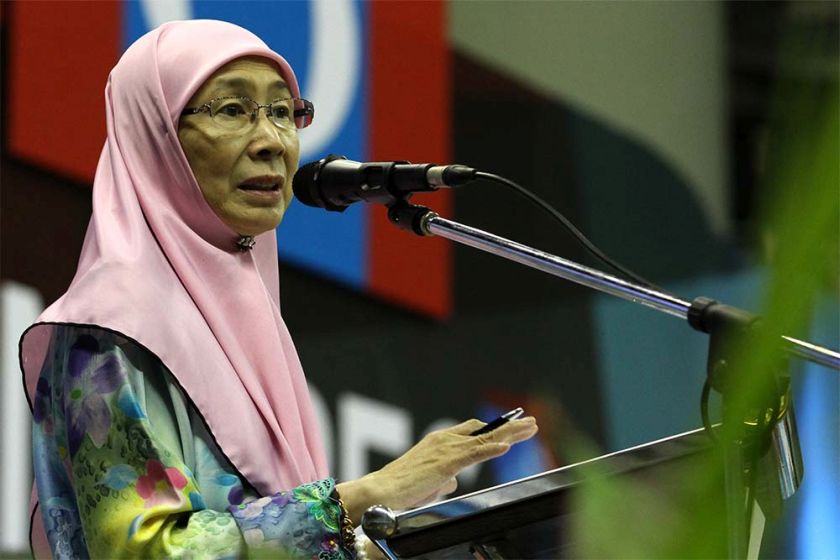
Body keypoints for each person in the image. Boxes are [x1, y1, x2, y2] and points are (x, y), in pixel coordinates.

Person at [20, 19, 538, 559]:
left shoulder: (251, 312)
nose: (272, 142)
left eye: (284, 113)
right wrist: (370, 494)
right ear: (155, 133)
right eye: (232, 110)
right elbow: (144, 554)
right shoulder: (109, 330)